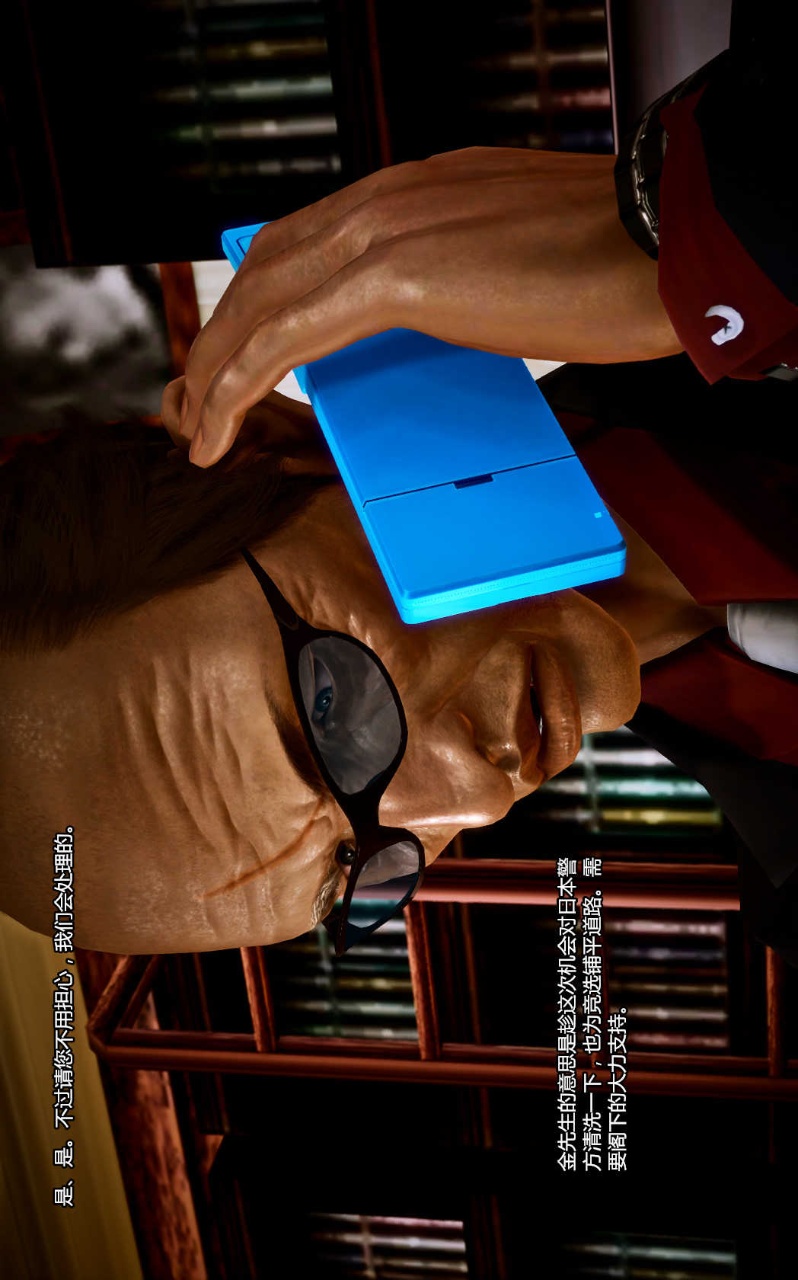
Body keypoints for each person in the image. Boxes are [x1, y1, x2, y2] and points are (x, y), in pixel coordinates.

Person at [2, 5, 797, 961]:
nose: (475, 796)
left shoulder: (753, 220)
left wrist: (715, 224)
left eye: (330, 711)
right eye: (358, 868)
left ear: (261, 444)